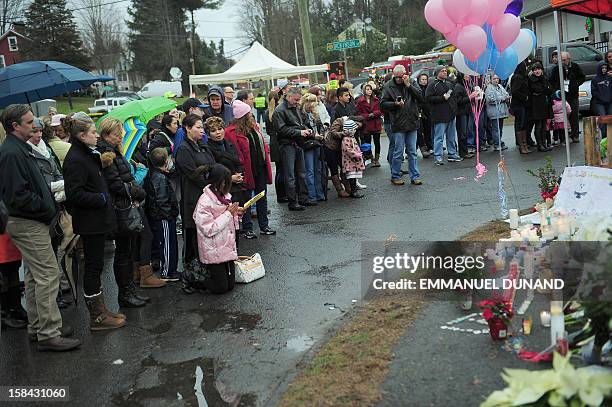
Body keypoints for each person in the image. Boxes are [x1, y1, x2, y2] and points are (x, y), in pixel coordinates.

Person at [0, 105, 81, 351]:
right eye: (28, 122)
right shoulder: (12, 153)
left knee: (36, 275)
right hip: (27, 222)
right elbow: (17, 196)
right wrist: (46, 209)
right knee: (47, 274)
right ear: (15, 126)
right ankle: (49, 333)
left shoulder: (20, 149)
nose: (35, 126)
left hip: (29, 220)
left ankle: (38, 327)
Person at [63, 114, 126, 331]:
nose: (96, 135)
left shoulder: (87, 153)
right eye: (92, 132)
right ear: (81, 136)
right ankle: (96, 316)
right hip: (90, 221)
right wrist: (101, 198)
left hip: (98, 220)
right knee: (92, 266)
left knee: (96, 266)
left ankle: (101, 309)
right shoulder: (75, 159)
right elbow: (74, 194)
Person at [97, 118, 165, 308]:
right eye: (116, 133)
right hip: (123, 207)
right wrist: (137, 192)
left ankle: (131, 288)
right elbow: (116, 184)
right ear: (105, 134)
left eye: (120, 132)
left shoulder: (114, 152)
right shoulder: (107, 154)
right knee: (126, 251)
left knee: (129, 248)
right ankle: (127, 292)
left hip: (127, 204)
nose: (120, 136)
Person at [226, 100, 275, 238]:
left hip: (260, 168)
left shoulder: (254, 127)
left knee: (261, 197)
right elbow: (235, 153)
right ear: (243, 117)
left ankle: (264, 226)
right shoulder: (231, 132)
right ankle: (247, 228)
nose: (251, 115)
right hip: (246, 171)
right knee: (246, 200)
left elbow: (262, 146)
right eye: (248, 114)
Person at [175, 114, 216, 279]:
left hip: (206, 195)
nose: (202, 131)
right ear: (187, 128)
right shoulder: (184, 149)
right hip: (193, 197)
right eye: (198, 127)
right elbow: (193, 174)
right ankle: (190, 272)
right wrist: (208, 184)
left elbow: (212, 164)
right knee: (192, 235)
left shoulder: (201, 145)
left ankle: (204, 268)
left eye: (202, 127)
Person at [194, 164, 243, 294]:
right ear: (219, 183)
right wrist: (229, 214)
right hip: (213, 248)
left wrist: (236, 212)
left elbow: (226, 214)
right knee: (221, 288)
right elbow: (208, 229)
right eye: (226, 182)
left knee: (230, 285)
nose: (228, 185)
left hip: (225, 245)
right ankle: (193, 277)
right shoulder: (204, 201)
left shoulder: (225, 196)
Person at [381, 64, 424, 185]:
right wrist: (395, 104)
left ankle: (414, 176)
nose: (400, 79)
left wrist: (409, 86)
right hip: (398, 123)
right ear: (394, 75)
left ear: (406, 74)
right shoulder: (388, 86)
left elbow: (420, 97)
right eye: (398, 77)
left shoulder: (411, 82)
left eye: (402, 76)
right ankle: (395, 175)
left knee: (412, 152)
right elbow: (382, 104)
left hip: (412, 121)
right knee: (398, 152)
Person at [272, 87, 311, 211]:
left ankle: (303, 199)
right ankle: (293, 201)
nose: (298, 102)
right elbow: (281, 130)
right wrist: (300, 132)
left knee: (301, 173)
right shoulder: (279, 111)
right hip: (287, 145)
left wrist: (305, 129)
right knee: (290, 176)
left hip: (297, 143)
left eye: (298, 100)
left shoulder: (295, 107)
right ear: (288, 97)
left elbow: (300, 122)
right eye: (296, 99)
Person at [144, 148, 180, 281]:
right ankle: (167, 272)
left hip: (163, 216)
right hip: (164, 217)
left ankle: (170, 269)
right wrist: (169, 214)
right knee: (167, 244)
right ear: (166, 161)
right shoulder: (159, 178)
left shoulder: (155, 175)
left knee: (167, 242)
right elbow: (161, 200)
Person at [426, 65, 463, 165]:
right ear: (437, 73)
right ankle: (438, 157)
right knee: (439, 137)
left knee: (451, 137)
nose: (445, 72)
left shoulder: (449, 83)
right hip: (439, 115)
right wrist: (442, 98)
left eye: (445, 71)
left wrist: (454, 109)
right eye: (442, 71)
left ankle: (452, 154)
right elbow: (428, 98)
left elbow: (454, 97)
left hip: (451, 114)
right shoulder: (432, 85)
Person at [549, 51, 585, 143]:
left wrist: (576, 83)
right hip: (562, 95)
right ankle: (562, 137)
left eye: (564, 60)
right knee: (562, 116)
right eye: (561, 60)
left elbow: (582, 77)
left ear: (569, 59)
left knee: (574, 115)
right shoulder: (556, 69)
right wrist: (556, 90)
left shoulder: (575, 66)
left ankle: (575, 135)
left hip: (572, 94)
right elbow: (551, 81)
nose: (563, 62)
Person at [299, 94, 326, 202]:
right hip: (308, 144)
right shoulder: (301, 115)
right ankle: (312, 195)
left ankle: (319, 194)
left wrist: (322, 132)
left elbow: (320, 126)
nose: (312, 106)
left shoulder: (314, 114)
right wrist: (314, 135)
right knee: (310, 171)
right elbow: (303, 128)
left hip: (317, 143)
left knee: (318, 169)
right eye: (310, 103)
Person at [264, 91, 287, 203]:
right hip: (280, 140)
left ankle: (280, 195)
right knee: (284, 169)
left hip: (273, 141)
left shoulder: (267, 112)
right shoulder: (279, 110)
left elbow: (268, 130)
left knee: (279, 170)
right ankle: (284, 195)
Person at [356, 82, 382, 167]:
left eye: (370, 89)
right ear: (364, 91)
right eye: (367, 89)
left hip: (376, 123)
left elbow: (379, 110)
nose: (369, 91)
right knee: (368, 142)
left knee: (377, 142)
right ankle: (371, 157)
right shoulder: (360, 101)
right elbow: (358, 113)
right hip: (367, 124)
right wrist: (367, 115)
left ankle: (377, 159)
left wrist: (373, 114)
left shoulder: (376, 99)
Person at [528, 62, 553, 152]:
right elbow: (536, 89)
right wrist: (544, 89)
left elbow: (550, 89)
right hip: (536, 105)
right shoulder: (531, 79)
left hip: (544, 104)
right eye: (535, 70)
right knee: (538, 125)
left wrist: (544, 89)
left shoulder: (544, 78)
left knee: (544, 125)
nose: (537, 71)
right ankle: (540, 145)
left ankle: (544, 143)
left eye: (538, 69)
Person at [510, 62, 533, 154]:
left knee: (523, 124)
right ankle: (521, 146)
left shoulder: (523, 76)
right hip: (519, 105)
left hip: (523, 105)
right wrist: (525, 97)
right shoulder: (517, 77)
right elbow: (515, 91)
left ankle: (524, 144)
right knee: (520, 124)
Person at [485, 74, 510, 151]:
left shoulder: (500, 86)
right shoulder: (489, 88)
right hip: (494, 112)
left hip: (502, 111)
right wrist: (502, 99)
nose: (496, 80)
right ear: (491, 79)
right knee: (496, 129)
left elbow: (506, 94)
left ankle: (499, 141)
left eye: (497, 78)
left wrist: (504, 98)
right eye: (494, 78)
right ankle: (496, 144)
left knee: (500, 128)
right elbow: (490, 99)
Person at [341, 119, 366, 198]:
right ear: (350, 130)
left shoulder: (352, 138)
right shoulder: (346, 139)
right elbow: (347, 150)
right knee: (351, 177)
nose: (355, 131)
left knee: (354, 177)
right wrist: (356, 154)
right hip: (349, 161)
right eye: (354, 129)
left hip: (354, 161)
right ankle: (353, 191)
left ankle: (354, 190)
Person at [453, 73, 475, 158]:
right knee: (462, 133)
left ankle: (465, 151)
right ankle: (463, 152)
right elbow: (458, 101)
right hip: (461, 112)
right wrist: (470, 97)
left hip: (466, 111)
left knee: (465, 132)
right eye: (466, 76)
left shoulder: (466, 86)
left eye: (469, 76)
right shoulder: (458, 86)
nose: (468, 77)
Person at [591, 62, 611, 139]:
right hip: (600, 103)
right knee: (602, 120)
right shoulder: (595, 79)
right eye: (602, 68)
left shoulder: (610, 78)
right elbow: (594, 92)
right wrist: (601, 98)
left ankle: (610, 137)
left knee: (610, 120)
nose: (604, 69)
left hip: (609, 102)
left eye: (606, 68)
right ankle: (604, 137)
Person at [416, 73, 433, 158]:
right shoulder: (416, 89)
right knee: (419, 131)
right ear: (419, 80)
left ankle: (429, 146)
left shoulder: (428, 89)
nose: (424, 81)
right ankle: (413, 150)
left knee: (428, 130)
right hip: (419, 112)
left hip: (427, 112)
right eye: (422, 79)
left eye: (425, 79)